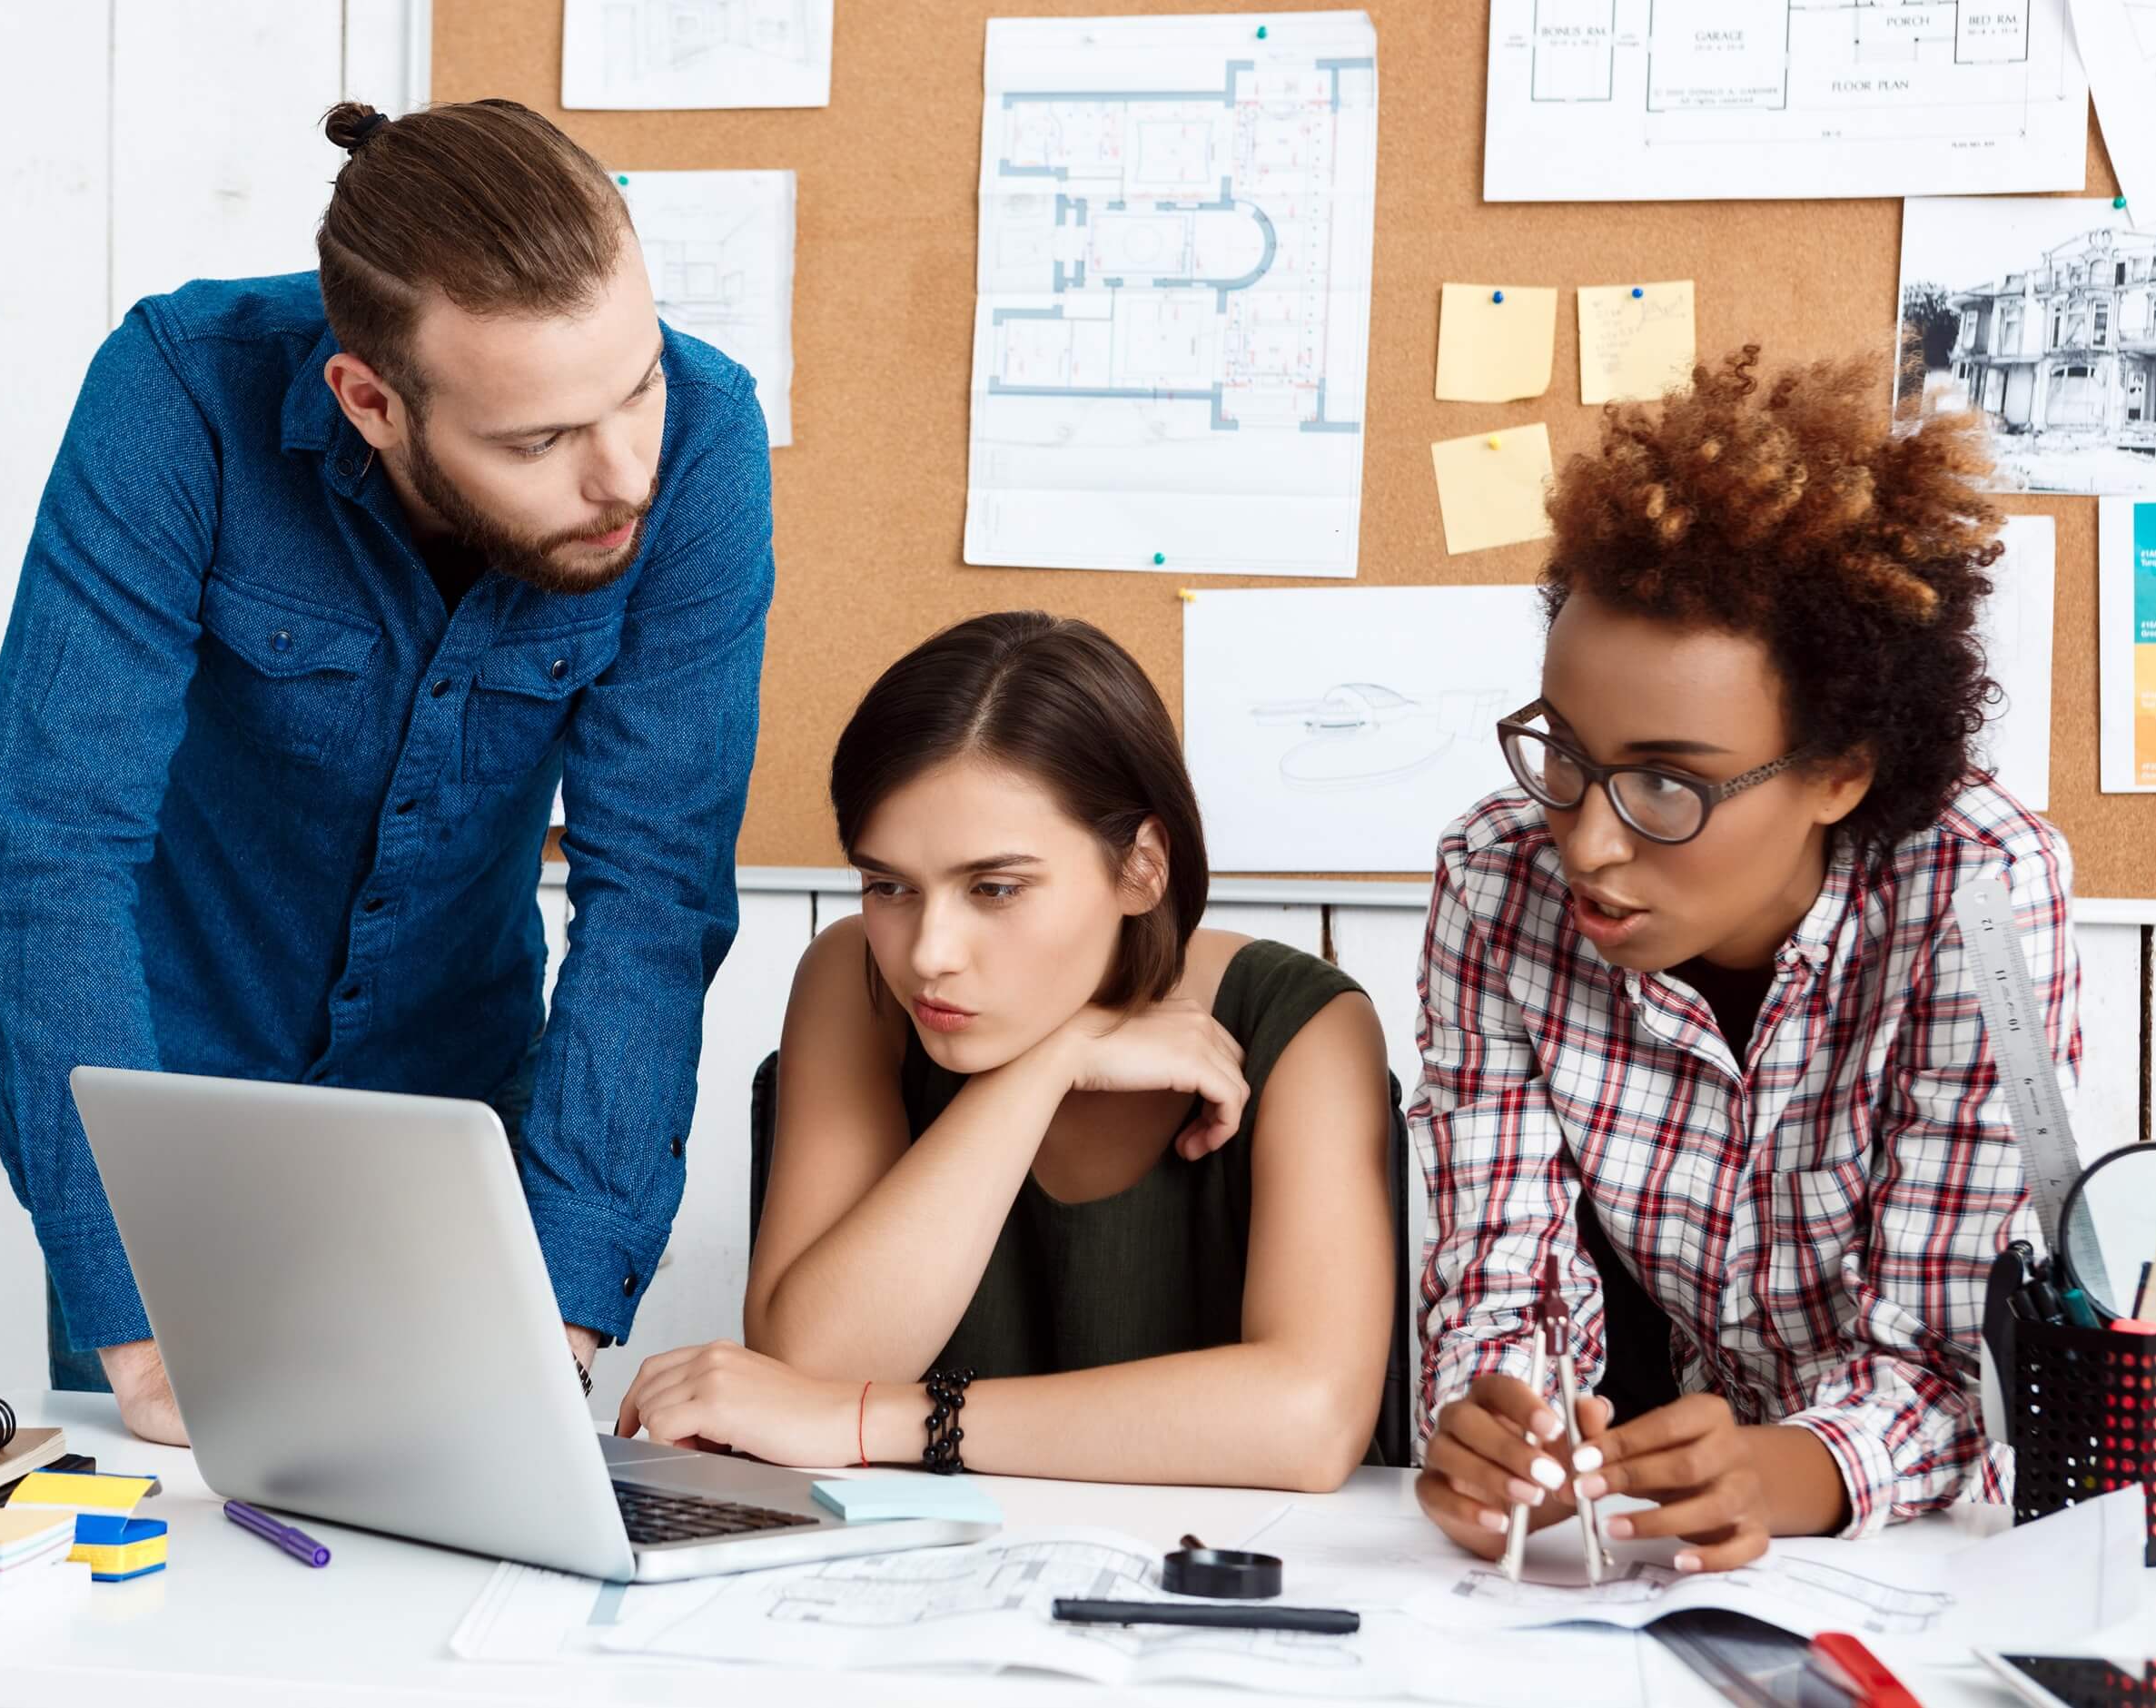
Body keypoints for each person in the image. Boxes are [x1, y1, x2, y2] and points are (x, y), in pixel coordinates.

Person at [0, 99, 774, 1444]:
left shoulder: (704, 445)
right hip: (167, 1122)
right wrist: (136, 1305)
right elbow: (45, 842)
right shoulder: (179, 394)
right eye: (538, 442)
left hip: (459, 1128)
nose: (626, 473)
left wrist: (557, 1314)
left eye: (637, 386)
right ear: (371, 400)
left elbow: (656, 894)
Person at [1412, 347, 2078, 1570]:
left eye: (1669, 781)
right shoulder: (1495, 880)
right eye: (1562, 751)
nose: (1586, 841)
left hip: (1923, 1557)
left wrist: (1788, 1468)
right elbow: (1497, 1284)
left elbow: (1948, 1363)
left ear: (1838, 773)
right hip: (1630, 1565)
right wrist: (1497, 1430)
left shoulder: (1977, 895)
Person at [614, 613, 1395, 1490]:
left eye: (994, 887)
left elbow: (1309, 1422)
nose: (928, 952)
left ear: (1141, 867)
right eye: (888, 885)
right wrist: (1047, 1065)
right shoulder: (857, 979)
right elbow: (814, 1359)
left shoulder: (1305, 1026)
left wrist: (873, 1420)